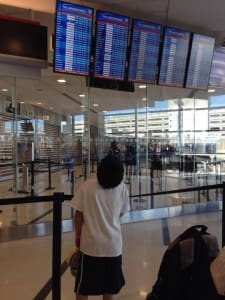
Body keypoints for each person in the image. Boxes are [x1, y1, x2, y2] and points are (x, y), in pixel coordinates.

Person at [70, 154, 130, 300]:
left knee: (83, 287)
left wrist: (78, 236)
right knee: (109, 288)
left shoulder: (87, 186)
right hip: (113, 246)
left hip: (90, 246)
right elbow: (121, 214)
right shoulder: (122, 188)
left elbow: (79, 215)